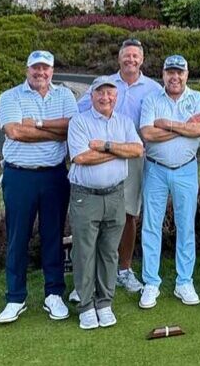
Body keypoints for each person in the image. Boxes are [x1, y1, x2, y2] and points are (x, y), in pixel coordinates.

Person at [0, 50, 78, 325]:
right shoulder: (10, 96)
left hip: (54, 175)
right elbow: (15, 132)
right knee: (18, 237)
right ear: (27, 69)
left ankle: (54, 294)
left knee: (53, 236)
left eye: (45, 68)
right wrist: (53, 131)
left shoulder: (65, 95)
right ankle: (15, 297)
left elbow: (72, 129)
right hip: (19, 176)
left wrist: (38, 124)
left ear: (52, 71)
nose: (40, 73)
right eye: (35, 68)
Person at [74, 38, 163, 295]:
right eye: (127, 56)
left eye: (135, 56)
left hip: (133, 158)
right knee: (98, 213)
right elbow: (78, 112)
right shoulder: (106, 85)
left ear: (142, 59)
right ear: (119, 58)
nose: (131, 60)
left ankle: (124, 269)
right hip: (100, 158)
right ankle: (94, 273)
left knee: (127, 215)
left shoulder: (153, 89)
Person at [67, 76, 144, 329]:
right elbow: (80, 157)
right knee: (84, 252)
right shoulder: (79, 121)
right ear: (91, 96)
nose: (105, 97)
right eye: (100, 93)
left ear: (116, 96)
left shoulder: (123, 121)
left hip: (115, 195)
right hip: (85, 195)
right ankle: (86, 305)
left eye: (110, 93)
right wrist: (117, 152)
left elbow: (137, 150)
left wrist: (105, 146)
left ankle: (104, 302)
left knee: (109, 252)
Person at [137, 54, 200, 309]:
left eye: (180, 72)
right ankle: (151, 282)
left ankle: (184, 281)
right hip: (155, 170)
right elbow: (147, 133)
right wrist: (183, 127)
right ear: (163, 74)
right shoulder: (151, 98)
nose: (175, 77)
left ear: (186, 75)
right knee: (151, 226)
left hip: (186, 170)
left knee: (185, 226)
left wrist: (166, 124)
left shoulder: (197, 98)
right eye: (170, 72)